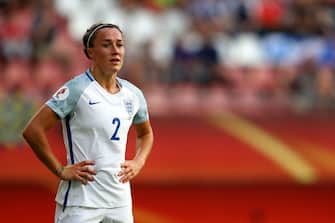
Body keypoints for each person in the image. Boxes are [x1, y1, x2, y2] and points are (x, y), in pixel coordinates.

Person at [22, 23, 154, 223]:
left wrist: (138, 161)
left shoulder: (133, 94)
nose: (115, 51)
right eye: (107, 45)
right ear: (90, 52)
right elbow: (33, 130)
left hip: (119, 201)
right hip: (81, 202)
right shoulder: (77, 89)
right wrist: (60, 170)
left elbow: (145, 134)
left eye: (119, 45)